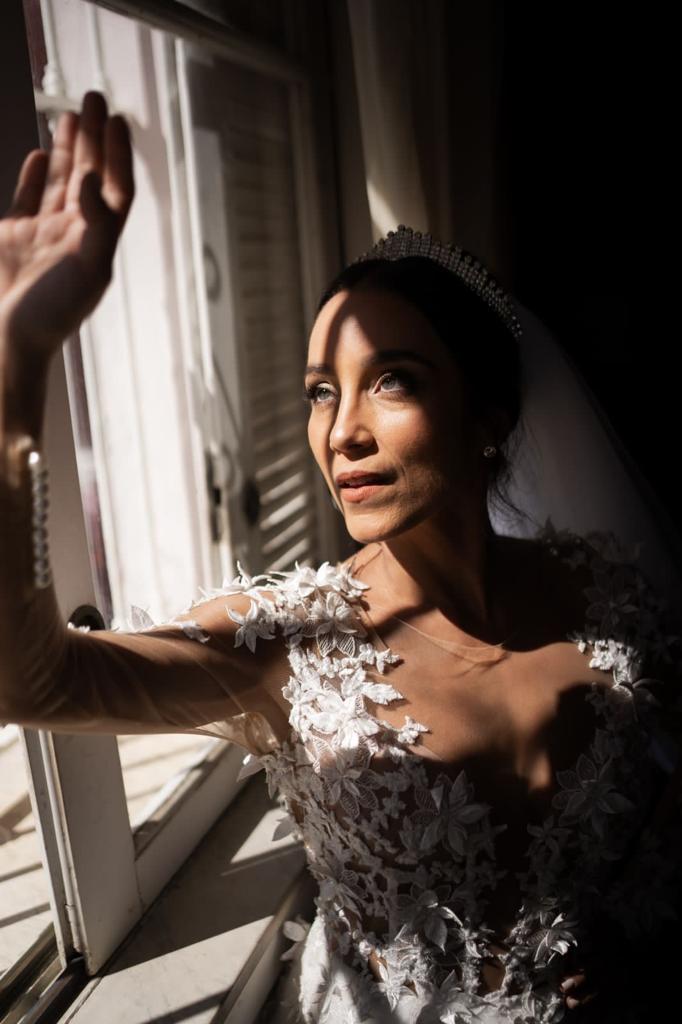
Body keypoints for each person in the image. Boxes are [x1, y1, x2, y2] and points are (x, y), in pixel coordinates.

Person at [1, 92, 681, 1024]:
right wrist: (19, 356)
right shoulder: (293, 645)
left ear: (487, 417)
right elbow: (32, 683)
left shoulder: (613, 598)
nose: (342, 432)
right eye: (322, 391)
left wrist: (638, 945)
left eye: (391, 380)